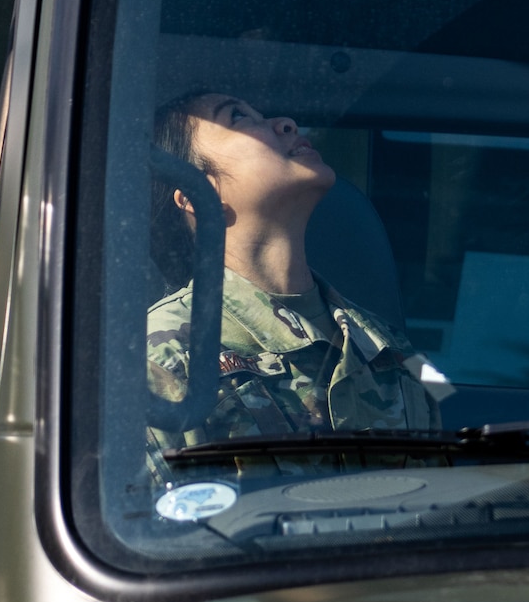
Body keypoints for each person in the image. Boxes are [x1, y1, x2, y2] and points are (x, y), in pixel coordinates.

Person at [145, 92, 440, 466]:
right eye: (237, 117)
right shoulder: (162, 358)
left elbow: (458, 480)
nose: (286, 123)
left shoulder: (399, 351)